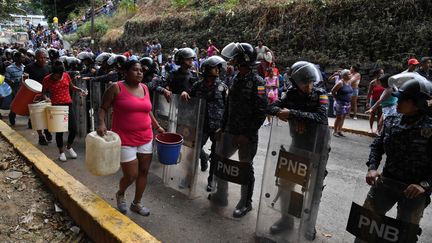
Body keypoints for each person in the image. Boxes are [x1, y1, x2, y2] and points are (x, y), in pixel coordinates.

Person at [357, 75, 432, 243]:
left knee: (404, 236)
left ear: (418, 103)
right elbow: (377, 146)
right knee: (365, 226)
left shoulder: (430, 128)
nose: (397, 101)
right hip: (386, 182)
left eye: (403, 99)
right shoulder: (391, 121)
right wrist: (372, 167)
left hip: (414, 191)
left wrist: (424, 185)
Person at [266, 61, 329, 239]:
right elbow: (270, 107)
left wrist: (294, 114)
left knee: (314, 188)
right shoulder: (291, 94)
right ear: (296, 83)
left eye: (310, 82)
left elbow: (321, 116)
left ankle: (309, 224)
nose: (309, 86)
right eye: (304, 83)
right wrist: (287, 113)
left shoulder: (321, 94)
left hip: (318, 148)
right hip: (297, 145)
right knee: (286, 183)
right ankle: (286, 219)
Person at [97, 60, 165, 216]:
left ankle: (137, 203)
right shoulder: (116, 88)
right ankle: (121, 193)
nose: (139, 73)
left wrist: (157, 126)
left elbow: (147, 111)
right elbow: (103, 108)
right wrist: (101, 123)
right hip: (125, 139)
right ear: (125, 72)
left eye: (141, 70)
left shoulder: (145, 88)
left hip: (146, 137)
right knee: (131, 174)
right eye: (135, 70)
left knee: (143, 171)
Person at [209, 42, 267, 218]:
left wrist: (247, 135)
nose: (232, 60)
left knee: (245, 168)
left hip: (246, 136)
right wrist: (222, 127)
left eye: (236, 57)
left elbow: (261, 112)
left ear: (244, 60)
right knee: (222, 162)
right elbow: (228, 106)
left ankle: (245, 203)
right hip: (230, 131)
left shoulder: (258, 82)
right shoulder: (235, 79)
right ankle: (221, 194)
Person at [181, 55, 228, 191]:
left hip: (216, 128)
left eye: (218, 68)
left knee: (216, 155)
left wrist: (223, 127)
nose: (217, 70)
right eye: (214, 68)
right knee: (193, 151)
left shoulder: (223, 87)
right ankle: (188, 177)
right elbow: (189, 94)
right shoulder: (198, 85)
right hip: (200, 125)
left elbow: (227, 107)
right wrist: (184, 92)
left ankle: (211, 180)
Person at [42, 61, 87, 161]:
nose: (58, 77)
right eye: (56, 75)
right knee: (60, 131)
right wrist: (46, 98)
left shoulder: (66, 75)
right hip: (56, 107)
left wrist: (80, 90)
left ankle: (69, 147)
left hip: (68, 105)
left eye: (60, 74)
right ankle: (61, 152)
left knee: (73, 128)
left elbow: (71, 87)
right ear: (52, 73)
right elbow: (43, 93)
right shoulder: (47, 79)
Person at [24, 48, 52, 145]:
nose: (42, 59)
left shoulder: (48, 68)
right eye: (40, 57)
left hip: (46, 95)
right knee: (37, 116)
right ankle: (41, 136)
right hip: (34, 95)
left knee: (47, 114)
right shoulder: (29, 67)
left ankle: (47, 130)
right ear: (36, 57)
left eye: (44, 57)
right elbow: (25, 81)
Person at [4, 51, 25, 126]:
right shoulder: (9, 68)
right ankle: (12, 115)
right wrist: (12, 81)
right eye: (22, 57)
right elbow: (6, 79)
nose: (23, 58)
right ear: (17, 58)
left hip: (23, 88)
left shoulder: (24, 67)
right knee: (15, 104)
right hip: (14, 89)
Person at [331, 69, 353, 137]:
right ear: (344, 76)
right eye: (349, 74)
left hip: (347, 103)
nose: (351, 75)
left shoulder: (349, 82)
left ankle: (339, 130)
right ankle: (334, 131)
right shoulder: (340, 83)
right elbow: (333, 91)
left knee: (343, 117)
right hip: (340, 103)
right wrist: (335, 98)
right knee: (339, 117)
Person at [365, 68, 384, 134]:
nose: (382, 74)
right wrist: (367, 102)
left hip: (381, 100)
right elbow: (369, 93)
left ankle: (378, 129)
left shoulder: (384, 82)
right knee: (372, 114)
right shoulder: (372, 82)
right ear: (377, 74)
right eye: (381, 73)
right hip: (373, 100)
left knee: (380, 114)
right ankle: (370, 128)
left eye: (383, 73)